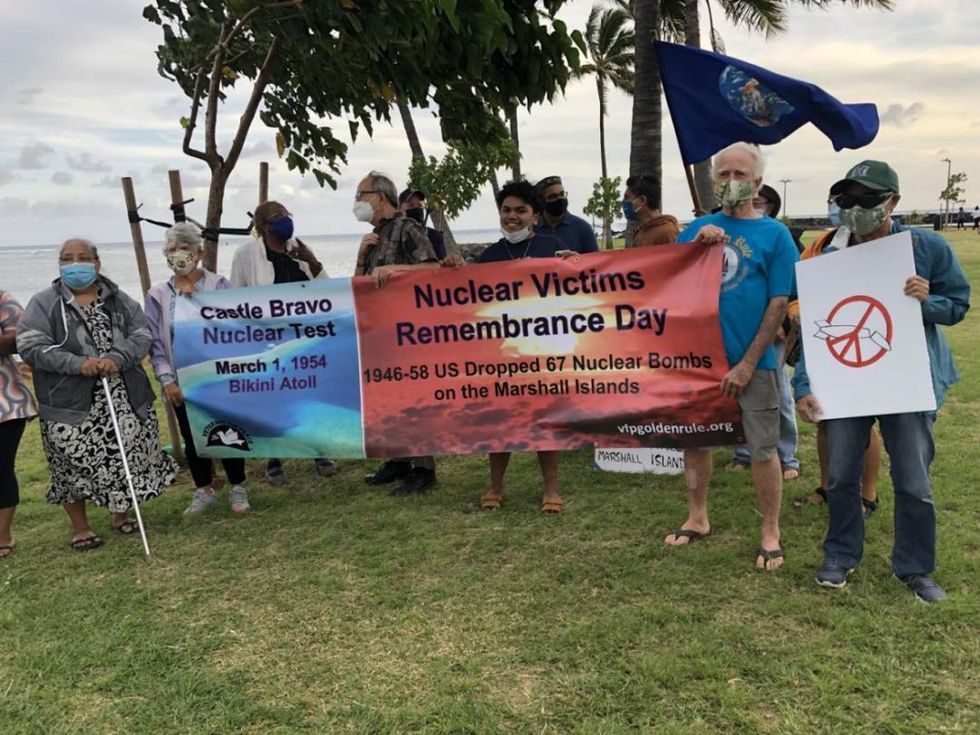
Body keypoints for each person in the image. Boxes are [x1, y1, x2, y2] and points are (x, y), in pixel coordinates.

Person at [793, 160, 971, 602]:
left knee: (913, 479)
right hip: (846, 382)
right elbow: (814, 326)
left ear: (893, 201)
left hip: (906, 381)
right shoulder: (827, 254)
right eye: (846, 199)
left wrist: (926, 301)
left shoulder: (925, 247)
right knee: (839, 476)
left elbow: (957, 304)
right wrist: (802, 383)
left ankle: (915, 568)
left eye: (867, 199)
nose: (856, 209)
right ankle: (840, 554)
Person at [667, 142, 799, 571]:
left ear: (758, 183)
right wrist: (696, 249)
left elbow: (778, 304)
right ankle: (698, 517)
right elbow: (666, 288)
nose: (731, 182)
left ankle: (770, 531)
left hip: (755, 364)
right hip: (698, 364)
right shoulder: (695, 230)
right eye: (723, 174)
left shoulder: (776, 236)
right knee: (696, 443)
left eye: (741, 175)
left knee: (763, 449)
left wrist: (747, 364)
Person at [17, 238, 177, 551]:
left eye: (82, 257)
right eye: (67, 258)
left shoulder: (119, 300)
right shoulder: (43, 302)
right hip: (69, 402)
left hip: (122, 395)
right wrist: (80, 364)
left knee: (123, 457)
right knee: (69, 463)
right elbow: (30, 345)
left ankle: (121, 513)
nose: (74, 263)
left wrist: (116, 358)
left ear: (97, 263)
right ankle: (81, 528)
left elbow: (141, 333)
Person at [230, 200, 338, 485]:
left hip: (304, 340)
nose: (286, 221)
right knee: (274, 400)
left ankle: (317, 451)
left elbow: (327, 293)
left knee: (308, 396)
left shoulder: (298, 252)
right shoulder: (246, 255)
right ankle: (274, 459)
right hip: (268, 343)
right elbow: (234, 299)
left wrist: (312, 261)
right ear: (263, 226)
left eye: (287, 215)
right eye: (278, 217)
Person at [146, 223, 249, 515]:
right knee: (192, 437)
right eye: (171, 250)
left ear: (199, 253)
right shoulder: (158, 294)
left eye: (185, 249)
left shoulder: (219, 285)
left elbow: (235, 327)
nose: (178, 255)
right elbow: (155, 343)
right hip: (180, 381)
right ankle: (203, 489)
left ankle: (238, 486)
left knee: (228, 430)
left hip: (219, 377)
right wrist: (167, 380)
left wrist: (200, 301)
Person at [477, 180, 567, 513]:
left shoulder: (552, 247)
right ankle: (495, 487)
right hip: (502, 352)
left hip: (544, 349)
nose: (512, 216)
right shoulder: (490, 256)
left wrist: (575, 265)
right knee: (500, 420)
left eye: (521, 210)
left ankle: (551, 490)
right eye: (506, 210)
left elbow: (577, 289)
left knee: (545, 419)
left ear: (535, 215)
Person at [354, 171, 443, 495]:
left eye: (361, 194)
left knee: (413, 401)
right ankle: (397, 460)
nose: (357, 202)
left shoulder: (408, 227)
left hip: (409, 332)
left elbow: (432, 269)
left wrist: (396, 270)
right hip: (380, 334)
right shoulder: (376, 236)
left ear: (380, 196)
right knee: (388, 400)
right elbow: (361, 286)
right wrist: (362, 258)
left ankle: (423, 468)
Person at [728, 183, 800, 481]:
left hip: (774, 335)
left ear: (773, 205)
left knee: (779, 396)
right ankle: (744, 453)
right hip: (737, 335)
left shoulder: (781, 236)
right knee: (740, 398)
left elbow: (788, 292)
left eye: (763, 201)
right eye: (752, 199)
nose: (756, 203)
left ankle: (787, 457)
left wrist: (781, 327)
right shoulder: (724, 234)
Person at [0, 289, 38, 559]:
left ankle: (2, 535)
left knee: (0, 468)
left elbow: (21, 340)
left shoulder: (2, 298)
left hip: (5, 403)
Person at [533, 175, 599, 253]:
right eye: (553, 196)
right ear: (542, 201)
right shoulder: (532, 229)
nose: (559, 199)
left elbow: (594, 261)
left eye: (562, 194)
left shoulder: (583, 228)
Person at [622, 174, 680, 247]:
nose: (623, 202)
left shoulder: (666, 232)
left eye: (627, 197)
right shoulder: (643, 230)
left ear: (642, 200)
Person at [398, 188, 447, 260]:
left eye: (420, 205)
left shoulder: (435, 236)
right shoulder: (392, 235)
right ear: (399, 209)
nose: (416, 209)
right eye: (411, 205)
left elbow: (442, 265)